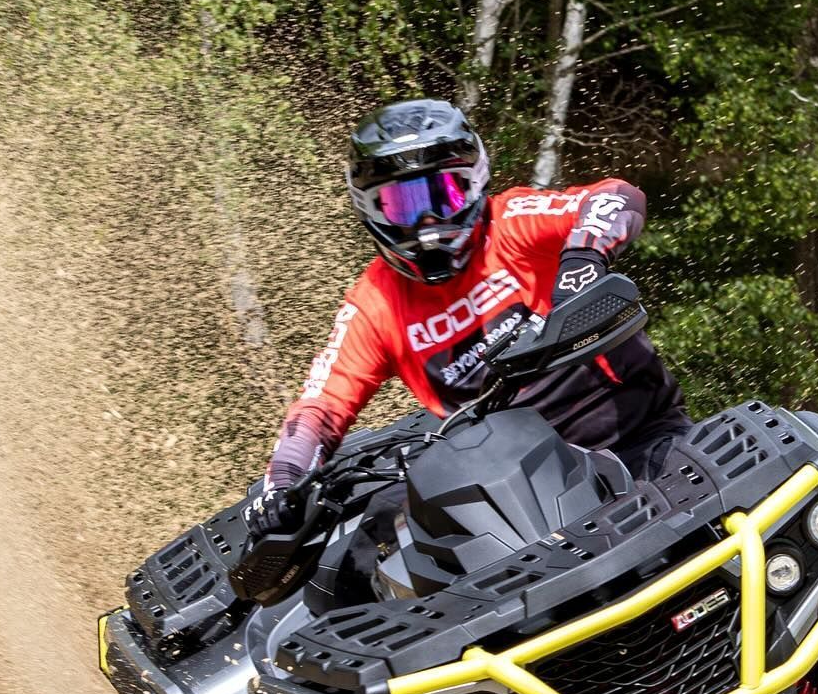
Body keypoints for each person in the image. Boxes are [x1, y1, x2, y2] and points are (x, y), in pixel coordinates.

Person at [246, 97, 688, 535]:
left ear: (475, 183)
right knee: (373, 534)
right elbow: (321, 405)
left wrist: (583, 258)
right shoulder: (374, 302)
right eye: (403, 205)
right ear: (370, 210)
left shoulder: (511, 221)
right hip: (514, 497)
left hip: (640, 438)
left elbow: (616, 196)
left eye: (445, 193)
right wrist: (284, 481)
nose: (427, 220)